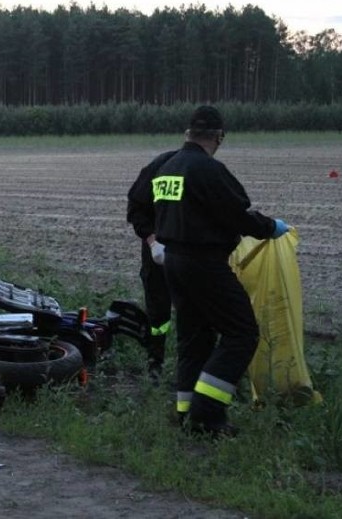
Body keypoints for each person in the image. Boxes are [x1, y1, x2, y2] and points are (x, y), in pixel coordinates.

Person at [152, 105, 289, 437]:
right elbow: (236, 214)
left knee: (194, 339)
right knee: (242, 333)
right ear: (218, 137)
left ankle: (186, 414)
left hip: (174, 262)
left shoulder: (167, 168)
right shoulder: (207, 169)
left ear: (188, 133)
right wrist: (270, 227)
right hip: (204, 263)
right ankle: (208, 414)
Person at [127, 148, 177, 382]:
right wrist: (152, 240)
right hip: (159, 252)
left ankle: (195, 364)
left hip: (194, 254)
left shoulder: (206, 171)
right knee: (158, 311)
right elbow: (136, 207)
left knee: (198, 311)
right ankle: (155, 362)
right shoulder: (160, 167)